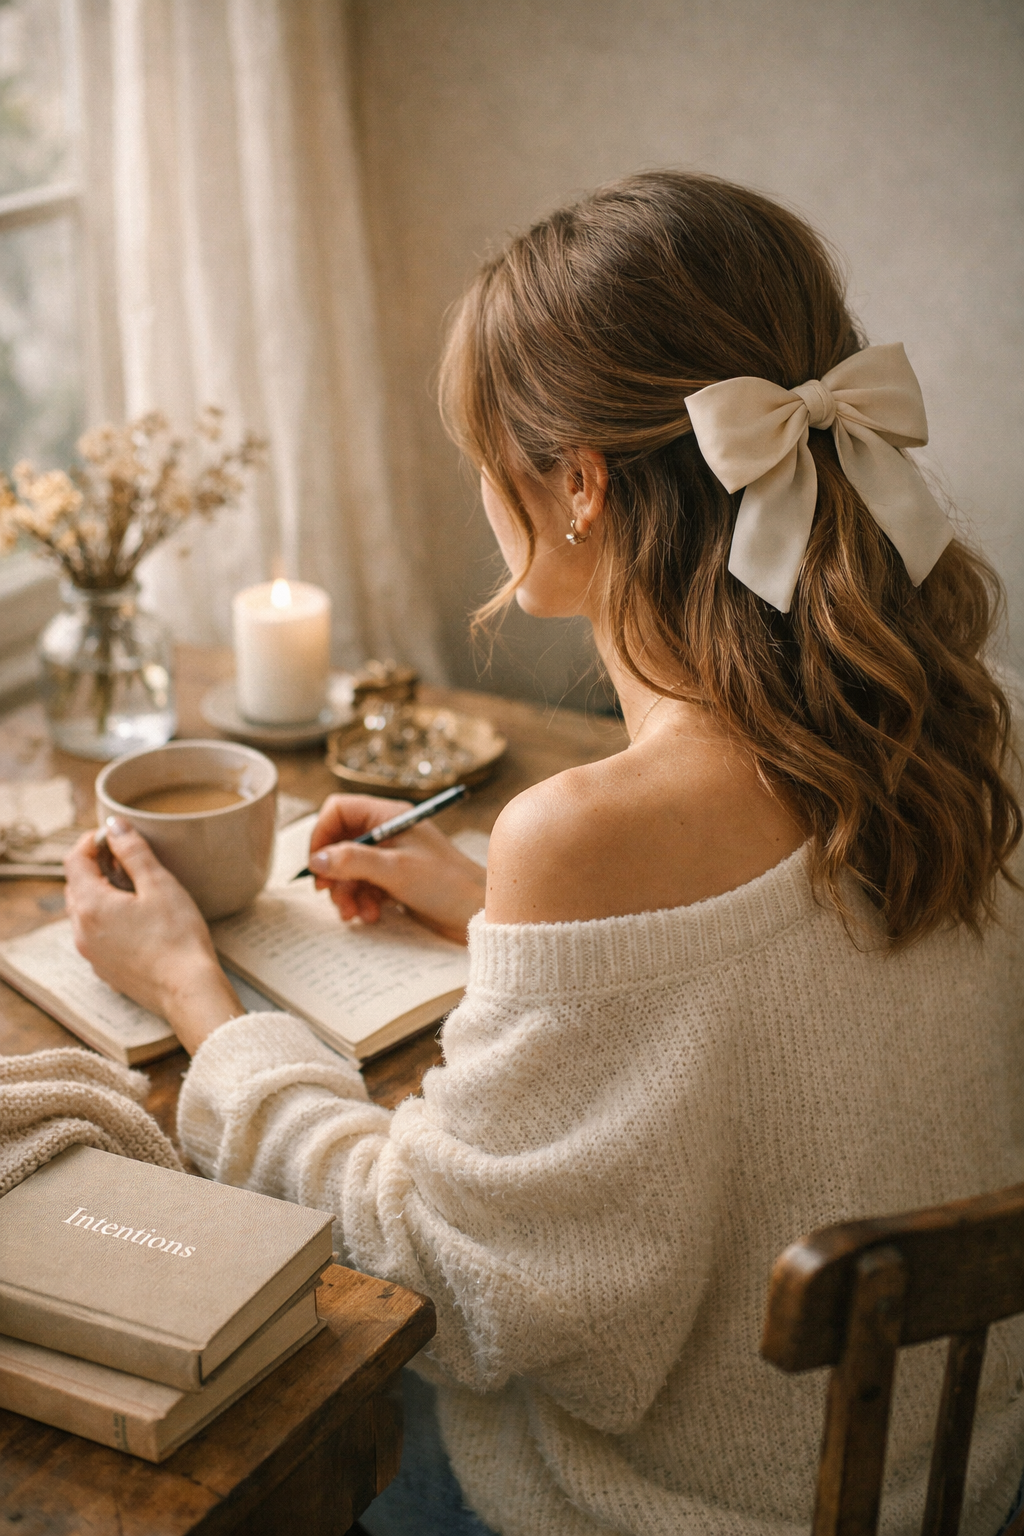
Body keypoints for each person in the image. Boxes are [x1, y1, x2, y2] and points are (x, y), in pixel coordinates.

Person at [65, 172, 1024, 1536]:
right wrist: (488, 913)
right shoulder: (963, 716)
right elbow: (797, 1006)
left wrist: (191, 997)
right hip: (958, 1478)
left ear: (577, 483)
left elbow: (447, 1282)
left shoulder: (586, 834)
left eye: (483, 452)